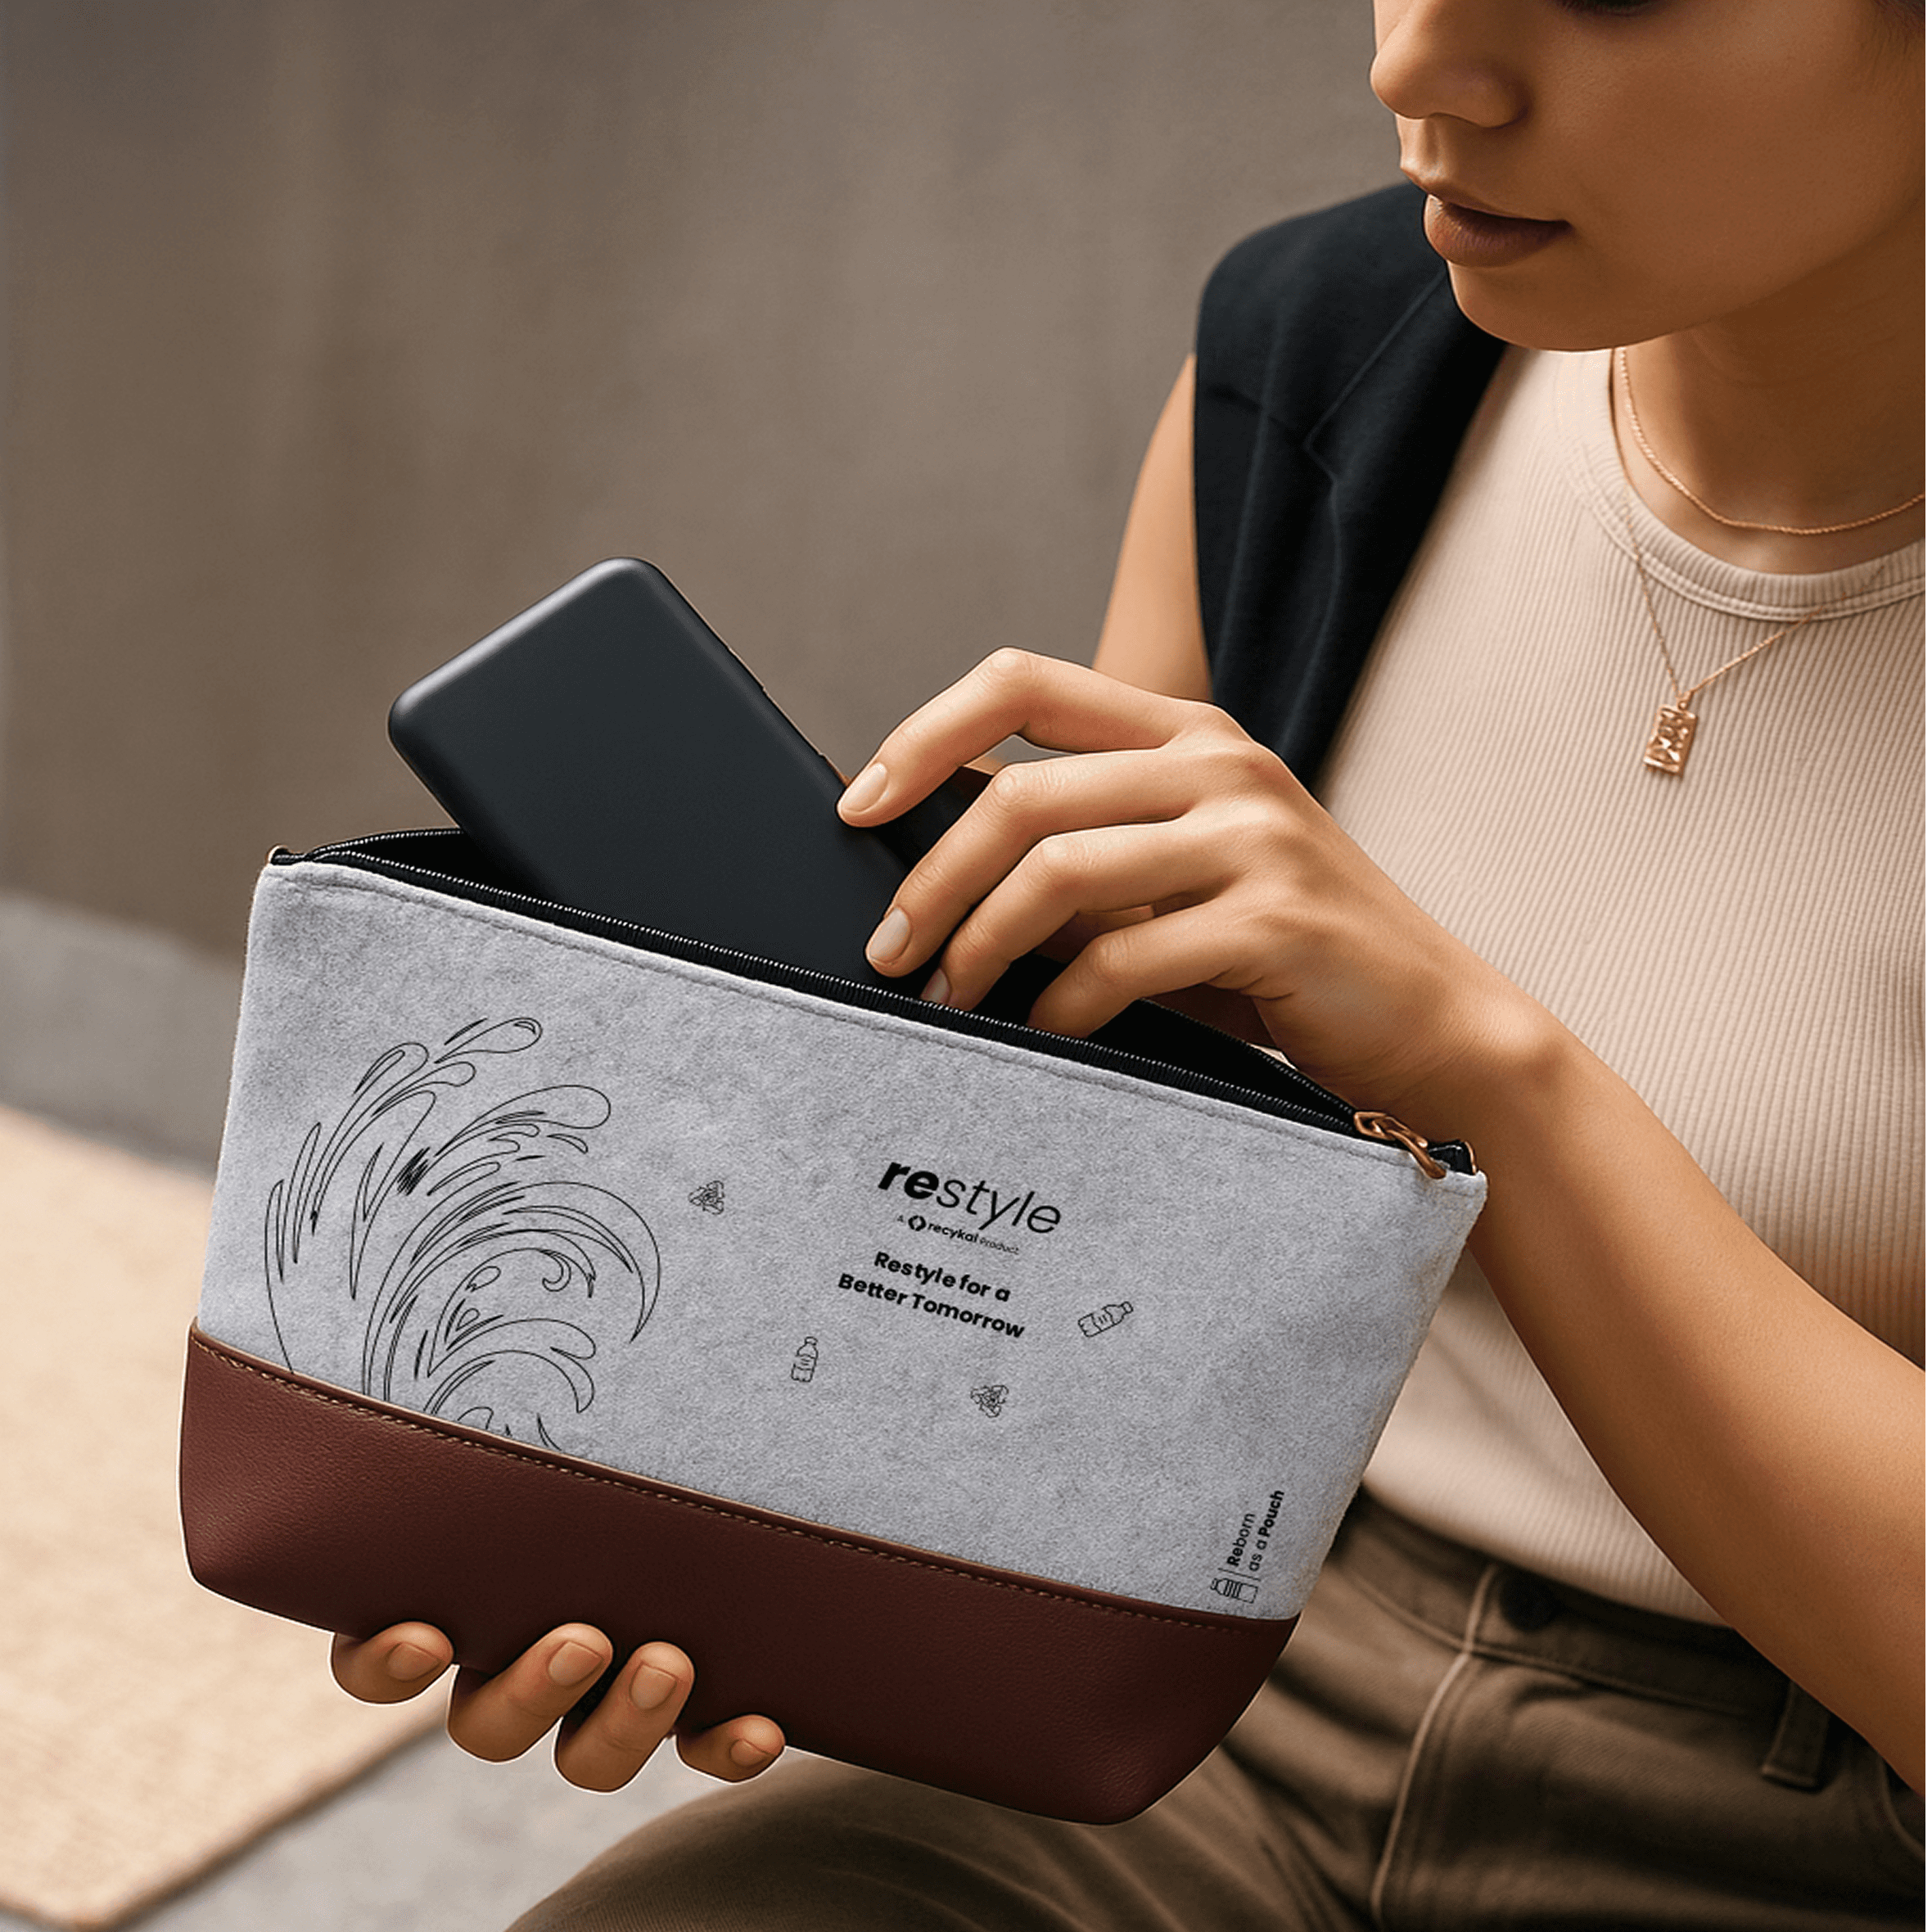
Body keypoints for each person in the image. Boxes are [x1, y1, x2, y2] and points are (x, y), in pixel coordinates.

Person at [333, 0, 1925, 1922]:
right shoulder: (1321, 357)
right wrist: (684, 1496)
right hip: (1222, 1662)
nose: (1418, 67)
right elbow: (1093, 1272)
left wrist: (1492, 1077)